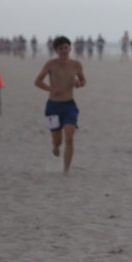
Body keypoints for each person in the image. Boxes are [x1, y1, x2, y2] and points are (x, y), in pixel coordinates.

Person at [34, 35, 86, 176]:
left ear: (70, 48)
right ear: (56, 50)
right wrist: (51, 89)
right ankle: (55, 145)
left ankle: (66, 170)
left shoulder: (76, 65)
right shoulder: (50, 64)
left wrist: (78, 84)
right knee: (58, 140)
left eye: (66, 47)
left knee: (70, 138)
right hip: (53, 106)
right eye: (61, 48)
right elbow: (37, 81)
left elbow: (83, 81)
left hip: (69, 105)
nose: (64, 50)